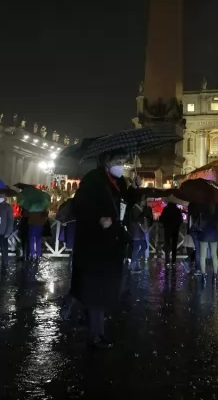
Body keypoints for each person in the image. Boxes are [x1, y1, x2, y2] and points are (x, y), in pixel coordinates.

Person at [70, 150, 130, 349]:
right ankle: (96, 335)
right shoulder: (93, 180)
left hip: (111, 244)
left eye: (122, 161)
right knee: (97, 291)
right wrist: (98, 219)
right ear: (106, 162)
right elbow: (79, 206)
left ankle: (82, 314)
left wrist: (135, 189)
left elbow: (124, 206)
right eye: (118, 160)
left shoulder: (119, 182)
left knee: (101, 290)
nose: (122, 164)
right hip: (94, 244)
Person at [197, 202, 218, 281]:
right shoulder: (216, 206)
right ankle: (215, 275)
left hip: (204, 233)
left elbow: (199, 218)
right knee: (214, 255)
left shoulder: (202, 205)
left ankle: (203, 275)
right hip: (213, 232)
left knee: (202, 255)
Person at [128, 196, 149, 272]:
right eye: (144, 201)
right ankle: (133, 265)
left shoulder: (138, 209)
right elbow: (137, 219)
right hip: (136, 232)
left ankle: (134, 262)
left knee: (142, 247)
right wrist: (144, 214)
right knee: (138, 248)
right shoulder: (136, 209)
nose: (145, 203)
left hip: (139, 232)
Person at [160, 197, 183, 267]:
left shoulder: (166, 209)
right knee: (174, 245)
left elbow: (161, 219)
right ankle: (173, 261)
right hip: (175, 229)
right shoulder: (177, 210)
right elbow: (181, 220)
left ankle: (167, 261)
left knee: (167, 245)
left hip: (167, 229)